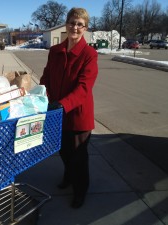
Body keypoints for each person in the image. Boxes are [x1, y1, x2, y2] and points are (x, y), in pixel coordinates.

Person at [40, 7, 98, 208]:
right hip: (57, 112)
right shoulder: (55, 51)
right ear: (66, 24)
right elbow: (46, 76)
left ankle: (80, 189)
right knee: (63, 150)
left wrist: (63, 104)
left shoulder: (89, 54)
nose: (75, 27)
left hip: (77, 114)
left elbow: (84, 87)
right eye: (72, 22)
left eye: (80, 24)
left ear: (85, 28)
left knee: (78, 156)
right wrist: (43, 96)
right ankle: (69, 175)